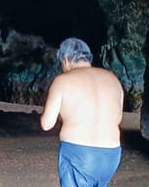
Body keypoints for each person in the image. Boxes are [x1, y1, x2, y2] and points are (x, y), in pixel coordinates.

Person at [41, 38, 124, 187]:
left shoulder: (63, 80)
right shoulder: (113, 79)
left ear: (66, 60)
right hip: (111, 154)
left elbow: (47, 124)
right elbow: (117, 118)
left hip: (79, 154)